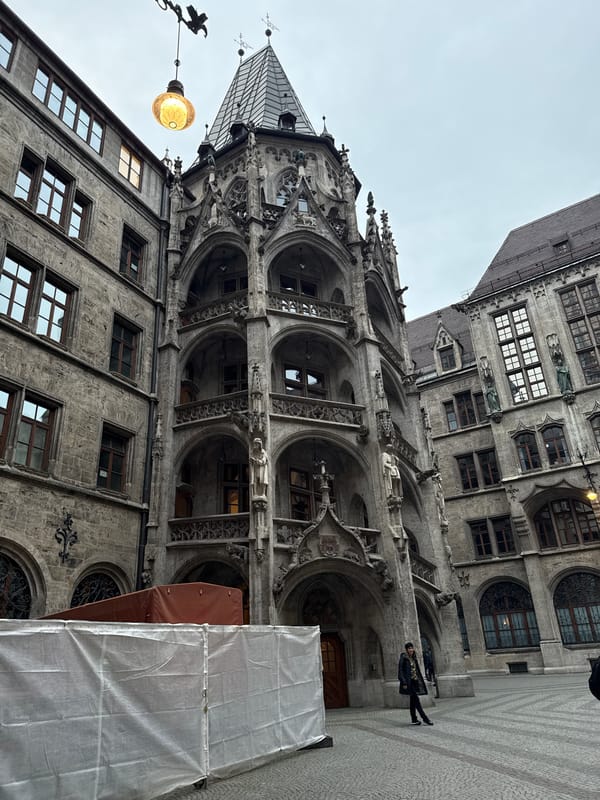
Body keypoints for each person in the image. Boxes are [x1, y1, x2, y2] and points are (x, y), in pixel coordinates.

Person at [398, 642, 433, 726]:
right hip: (408, 682)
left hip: (414, 681)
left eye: (412, 648)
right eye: (409, 648)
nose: (411, 650)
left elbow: (417, 670)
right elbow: (400, 671)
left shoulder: (413, 658)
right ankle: (425, 718)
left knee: (413, 701)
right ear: (406, 650)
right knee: (416, 700)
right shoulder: (403, 658)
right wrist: (404, 682)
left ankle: (414, 719)